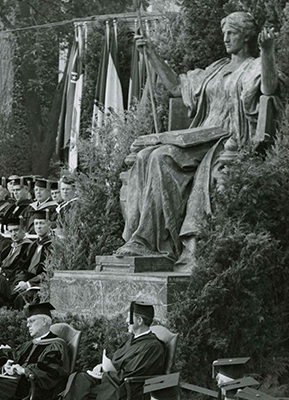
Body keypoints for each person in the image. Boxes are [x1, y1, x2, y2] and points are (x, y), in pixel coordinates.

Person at [117, 13, 284, 267]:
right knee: (144, 156)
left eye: (232, 33)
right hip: (200, 137)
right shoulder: (215, 69)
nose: (225, 39)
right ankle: (142, 240)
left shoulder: (254, 66)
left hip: (229, 139)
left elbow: (269, 89)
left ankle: (158, 243)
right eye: (224, 33)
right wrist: (150, 54)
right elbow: (177, 87)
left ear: (247, 36)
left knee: (162, 157)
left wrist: (268, 52)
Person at [0, 303, 70, 400]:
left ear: (44, 322)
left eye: (31, 321)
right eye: (27, 322)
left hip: (31, 388)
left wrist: (24, 370)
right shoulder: (29, 345)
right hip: (16, 383)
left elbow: (51, 371)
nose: (28, 325)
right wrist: (6, 367)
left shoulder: (56, 345)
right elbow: (12, 359)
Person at [62, 301, 165, 400]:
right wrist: (101, 367)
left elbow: (133, 374)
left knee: (80, 389)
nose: (126, 321)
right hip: (111, 381)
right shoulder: (132, 340)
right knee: (78, 378)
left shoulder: (153, 347)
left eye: (129, 317)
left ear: (139, 320)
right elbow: (116, 362)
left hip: (124, 389)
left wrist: (104, 375)